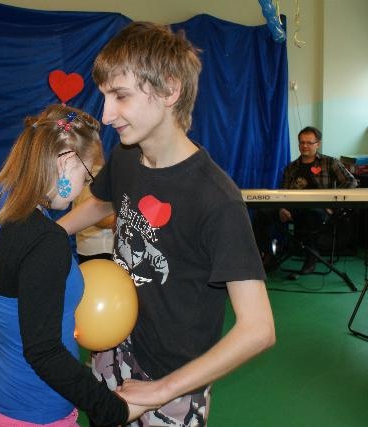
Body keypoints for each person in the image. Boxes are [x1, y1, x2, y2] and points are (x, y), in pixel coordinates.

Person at [57, 23, 276, 426]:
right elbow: (102, 200)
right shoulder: (126, 156)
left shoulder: (217, 199)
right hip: (113, 345)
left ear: (169, 90)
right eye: (104, 96)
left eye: (120, 95)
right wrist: (51, 234)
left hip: (172, 381)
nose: (106, 115)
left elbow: (259, 328)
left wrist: (160, 391)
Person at [0, 104, 146, 426]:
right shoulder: (45, 241)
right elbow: (44, 352)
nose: (83, 187)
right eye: (86, 175)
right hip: (34, 411)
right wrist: (114, 408)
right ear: (66, 161)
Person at [253, 126, 358, 275]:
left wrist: (333, 205)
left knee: (311, 214)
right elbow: (283, 192)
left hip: (319, 210)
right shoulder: (291, 167)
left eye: (309, 142)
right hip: (293, 209)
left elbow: (351, 182)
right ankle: (268, 256)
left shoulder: (330, 163)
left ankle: (311, 256)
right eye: (302, 142)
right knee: (261, 214)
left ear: (318, 144)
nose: (305, 146)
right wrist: (282, 208)